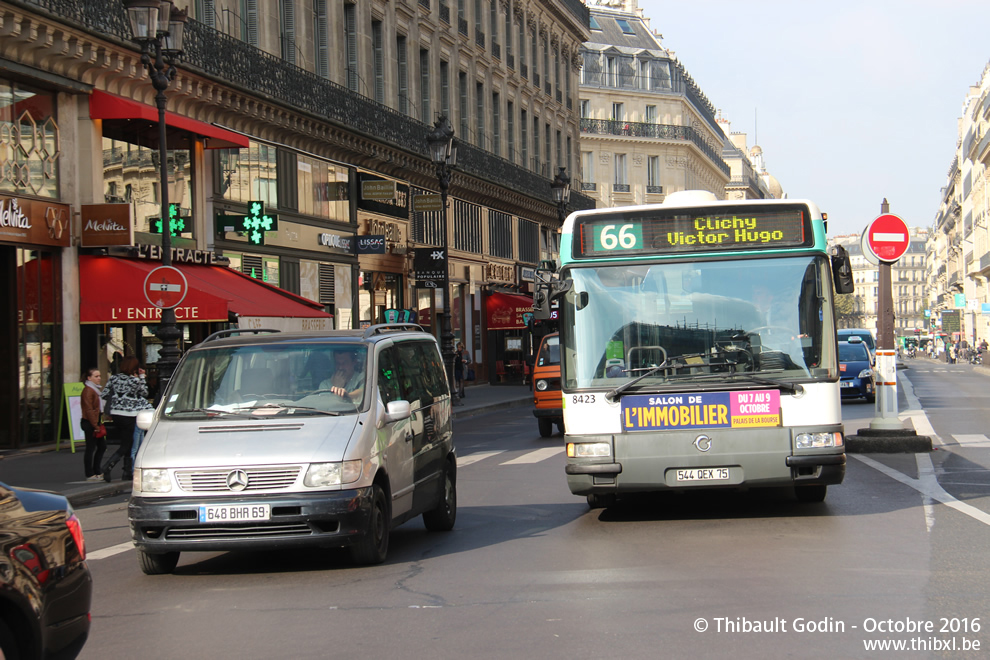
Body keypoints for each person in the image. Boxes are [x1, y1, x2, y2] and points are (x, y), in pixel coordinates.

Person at [100, 356, 150, 482]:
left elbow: (105, 394)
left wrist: (118, 398)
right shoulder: (134, 381)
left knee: (126, 442)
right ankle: (108, 466)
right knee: (126, 444)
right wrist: (142, 377)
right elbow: (145, 393)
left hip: (116, 414)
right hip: (130, 415)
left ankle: (127, 473)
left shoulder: (114, 378)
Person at [80, 367, 107, 481]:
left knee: (101, 446)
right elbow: (89, 410)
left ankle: (97, 470)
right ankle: (90, 473)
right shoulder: (88, 391)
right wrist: (95, 425)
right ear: (89, 378)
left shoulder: (94, 390)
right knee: (91, 448)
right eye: (96, 376)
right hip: (90, 422)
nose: (99, 378)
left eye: (99, 376)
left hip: (95, 421)